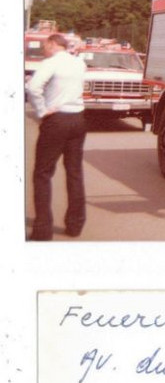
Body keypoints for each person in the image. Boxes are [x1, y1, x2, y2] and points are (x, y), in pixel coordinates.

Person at [26, 32, 88, 240]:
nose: (43, 50)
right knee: (74, 172)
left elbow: (33, 87)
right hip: (78, 119)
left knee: (43, 173)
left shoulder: (50, 63)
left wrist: (42, 111)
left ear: (53, 44)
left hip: (57, 120)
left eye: (44, 46)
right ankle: (75, 225)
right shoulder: (79, 64)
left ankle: (43, 229)